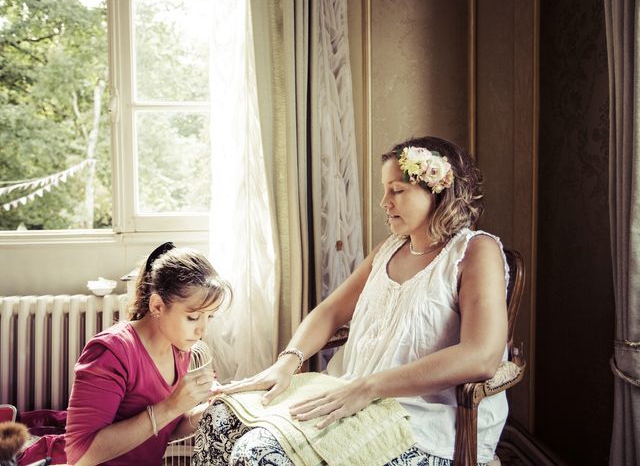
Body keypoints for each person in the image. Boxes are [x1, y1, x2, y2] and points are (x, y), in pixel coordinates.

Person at [193, 136, 509, 466]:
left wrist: (370, 387)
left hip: (423, 422)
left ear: (438, 190)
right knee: (217, 418)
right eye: (385, 190)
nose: (384, 202)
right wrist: (286, 362)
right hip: (352, 394)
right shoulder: (390, 248)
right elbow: (331, 311)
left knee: (256, 455)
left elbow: (481, 356)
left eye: (397, 190)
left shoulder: (475, 251)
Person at [65, 242, 231, 466]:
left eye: (209, 317)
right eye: (193, 317)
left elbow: (162, 429)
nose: (203, 330)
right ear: (157, 306)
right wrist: (170, 406)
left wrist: (208, 410)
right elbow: (80, 456)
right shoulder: (112, 351)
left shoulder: (180, 349)